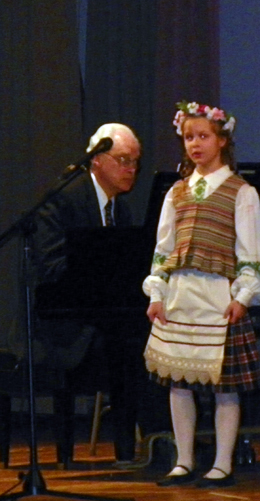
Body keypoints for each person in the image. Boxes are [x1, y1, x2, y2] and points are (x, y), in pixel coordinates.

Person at [142, 101, 260, 488]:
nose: (194, 144)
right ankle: (183, 460)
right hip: (181, 297)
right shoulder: (176, 192)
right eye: (188, 137)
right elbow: (163, 249)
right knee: (179, 381)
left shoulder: (240, 192)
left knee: (223, 386)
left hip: (218, 299)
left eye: (203, 136)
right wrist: (156, 293)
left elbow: (252, 251)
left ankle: (223, 462)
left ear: (222, 140)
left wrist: (243, 295)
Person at [34, 123, 150, 468]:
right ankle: (139, 447)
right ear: (97, 160)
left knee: (149, 336)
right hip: (66, 326)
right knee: (130, 344)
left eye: (135, 162)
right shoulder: (63, 199)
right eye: (124, 160)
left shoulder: (120, 209)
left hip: (102, 318)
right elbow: (51, 269)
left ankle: (163, 442)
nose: (131, 169)